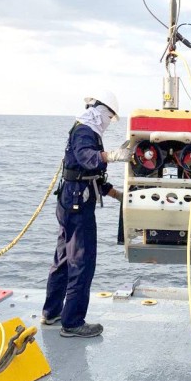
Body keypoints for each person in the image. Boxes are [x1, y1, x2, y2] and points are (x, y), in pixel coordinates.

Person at [42, 90, 132, 338]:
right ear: (99, 110)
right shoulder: (84, 131)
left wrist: (116, 194)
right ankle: (72, 322)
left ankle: (51, 312)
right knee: (82, 262)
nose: (108, 121)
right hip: (77, 207)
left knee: (62, 259)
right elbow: (87, 159)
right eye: (108, 116)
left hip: (70, 202)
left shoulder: (86, 130)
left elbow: (87, 175)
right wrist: (112, 155)